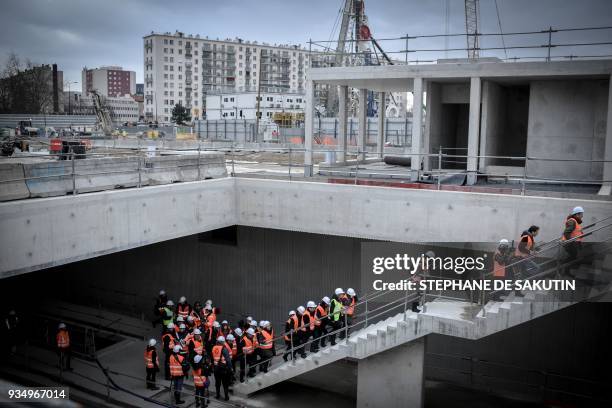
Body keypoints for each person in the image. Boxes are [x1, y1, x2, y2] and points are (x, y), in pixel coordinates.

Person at [212, 336, 233, 401]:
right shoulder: (224, 349)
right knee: (225, 384)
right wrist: (230, 368)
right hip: (223, 369)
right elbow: (228, 360)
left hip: (216, 368)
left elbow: (213, 358)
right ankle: (226, 397)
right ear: (222, 342)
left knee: (217, 383)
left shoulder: (214, 347)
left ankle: (218, 395)